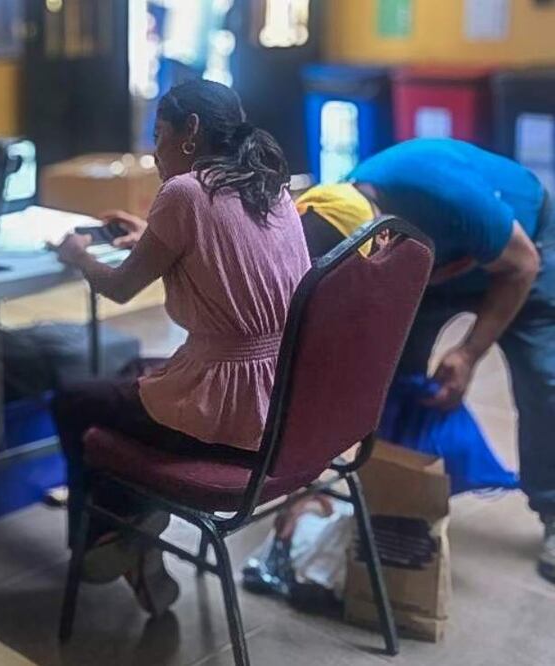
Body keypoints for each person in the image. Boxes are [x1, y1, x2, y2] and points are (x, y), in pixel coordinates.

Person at [50, 80, 310, 614]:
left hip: (232, 414)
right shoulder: (270, 185)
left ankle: (104, 538)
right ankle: (134, 526)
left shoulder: (184, 192)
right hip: (286, 403)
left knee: (74, 401)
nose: (154, 149)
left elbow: (120, 287)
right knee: (131, 370)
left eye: (160, 134)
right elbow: (222, 243)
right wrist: (151, 234)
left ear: (190, 132)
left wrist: (78, 256)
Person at [296, 138, 555, 585]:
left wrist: (469, 353)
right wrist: (303, 481)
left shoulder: (445, 195)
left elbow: (522, 265)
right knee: (392, 378)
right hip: (438, 266)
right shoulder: (331, 211)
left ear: (381, 231)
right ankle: (396, 500)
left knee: (544, 380)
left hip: (526, 250)